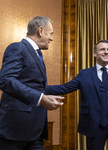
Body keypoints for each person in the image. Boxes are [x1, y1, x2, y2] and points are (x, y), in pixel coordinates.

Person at [47, 39, 108, 150]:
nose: (106, 52)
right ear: (94, 53)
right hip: (94, 127)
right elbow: (65, 88)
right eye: (102, 49)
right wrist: (39, 89)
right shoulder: (85, 74)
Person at [0, 16, 64, 150]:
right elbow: (6, 80)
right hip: (15, 130)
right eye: (51, 34)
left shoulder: (37, 54)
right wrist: (41, 98)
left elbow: (35, 86)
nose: (51, 38)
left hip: (36, 131)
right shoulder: (17, 48)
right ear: (41, 31)